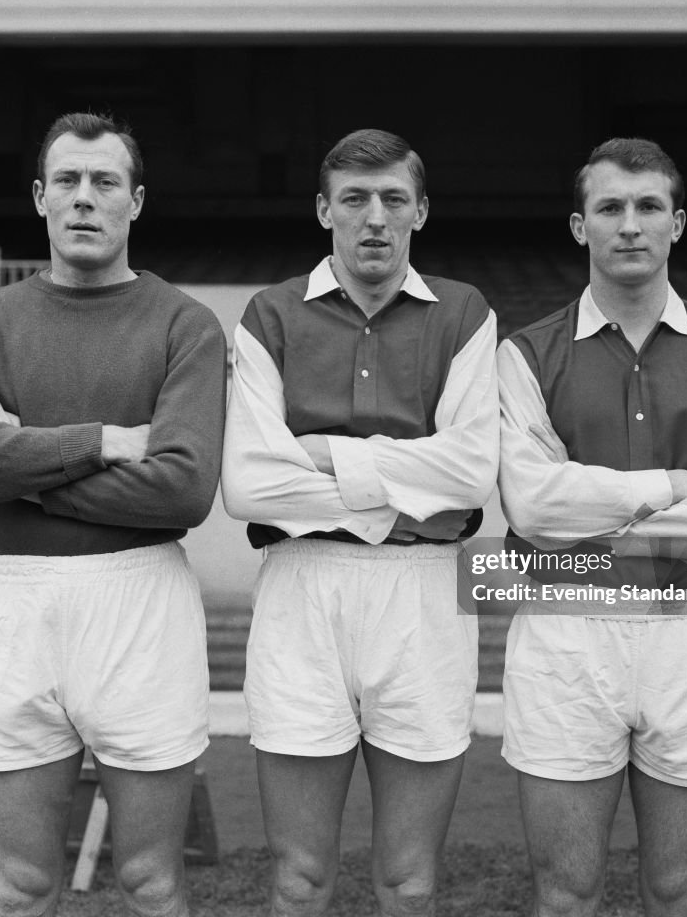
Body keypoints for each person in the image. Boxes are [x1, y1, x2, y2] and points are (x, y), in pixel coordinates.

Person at [0, 112, 227, 917]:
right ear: (40, 197)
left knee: (151, 881)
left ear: (136, 201)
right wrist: (101, 442)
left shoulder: (184, 324)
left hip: (141, 599)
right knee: (20, 885)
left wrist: (20, 457)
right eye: (68, 180)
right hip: (15, 598)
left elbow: (183, 491)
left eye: (105, 182)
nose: (85, 198)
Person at [496, 137, 687, 917]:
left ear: (678, 223)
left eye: (648, 206)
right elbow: (531, 505)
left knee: (682, 891)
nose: (630, 224)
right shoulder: (523, 356)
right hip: (563, 632)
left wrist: (590, 509)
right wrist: (674, 489)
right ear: (579, 226)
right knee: (565, 893)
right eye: (610, 207)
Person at [221, 128, 499, 916]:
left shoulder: (464, 314)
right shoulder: (269, 314)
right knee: (298, 879)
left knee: (408, 882)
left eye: (393, 200)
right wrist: (404, 476)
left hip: (426, 593)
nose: (374, 218)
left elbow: (472, 474)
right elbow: (247, 485)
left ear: (420, 212)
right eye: (354, 199)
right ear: (323, 210)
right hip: (301, 590)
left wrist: (317, 456)